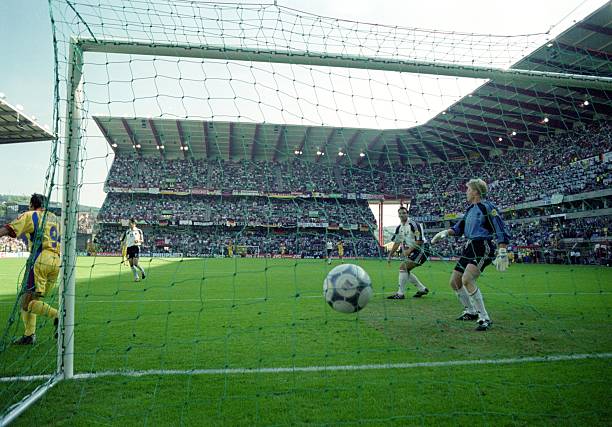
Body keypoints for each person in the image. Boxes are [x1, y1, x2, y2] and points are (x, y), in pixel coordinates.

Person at [430, 179, 510, 331]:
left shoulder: (487, 207)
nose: (466, 192)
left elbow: (500, 228)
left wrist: (502, 250)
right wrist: (445, 232)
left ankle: (484, 317)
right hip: (469, 246)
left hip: (482, 246)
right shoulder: (470, 210)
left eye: (468, 189)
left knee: (467, 279)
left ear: (475, 192)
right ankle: (470, 311)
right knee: (454, 281)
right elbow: (458, 228)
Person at [0, 194, 60, 345]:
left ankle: (58, 316)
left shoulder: (31, 215)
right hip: (56, 261)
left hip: (40, 260)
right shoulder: (55, 218)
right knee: (35, 300)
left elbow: (9, 229)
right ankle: (29, 335)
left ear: (32, 205)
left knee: (26, 303)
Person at [386, 206, 430, 299]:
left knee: (403, 267)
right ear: (398, 215)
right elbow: (397, 242)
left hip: (422, 249)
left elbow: (420, 241)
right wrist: (390, 255)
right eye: (400, 213)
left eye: (404, 213)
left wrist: (408, 251)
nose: (402, 215)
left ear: (407, 214)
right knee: (405, 270)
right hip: (414, 250)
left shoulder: (414, 225)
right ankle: (422, 289)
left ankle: (400, 294)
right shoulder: (399, 228)